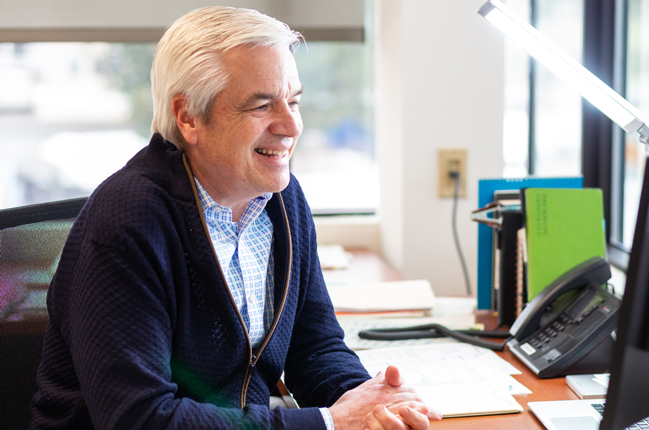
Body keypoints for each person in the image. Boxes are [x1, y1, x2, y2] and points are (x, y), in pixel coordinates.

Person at [29, 6, 440, 430]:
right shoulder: (128, 220)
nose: (291, 125)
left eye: (294, 101)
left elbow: (314, 347)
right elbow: (139, 418)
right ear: (188, 117)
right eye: (262, 105)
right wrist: (328, 423)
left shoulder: (282, 200)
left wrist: (369, 403)